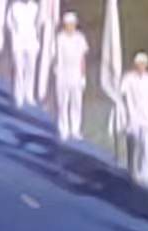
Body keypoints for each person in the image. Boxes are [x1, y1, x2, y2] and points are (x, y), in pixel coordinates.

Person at [117, 53, 148, 184]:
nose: (141, 66)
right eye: (139, 64)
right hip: (133, 117)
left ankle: (145, 173)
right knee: (133, 145)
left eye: (143, 64)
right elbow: (123, 95)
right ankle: (132, 171)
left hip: (147, 118)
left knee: (145, 146)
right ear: (135, 65)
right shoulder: (128, 78)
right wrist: (126, 113)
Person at [53, 13, 88, 141]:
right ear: (64, 25)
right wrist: (57, 70)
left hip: (76, 73)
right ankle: (63, 129)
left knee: (76, 102)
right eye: (68, 24)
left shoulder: (80, 38)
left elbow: (82, 58)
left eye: (72, 24)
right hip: (63, 73)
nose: (70, 27)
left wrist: (83, 76)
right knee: (62, 103)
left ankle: (75, 129)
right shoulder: (59, 38)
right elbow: (56, 56)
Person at [7, 0, 42, 108]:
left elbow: (39, 23)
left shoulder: (35, 7)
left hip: (31, 41)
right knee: (19, 68)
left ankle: (28, 94)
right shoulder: (14, 6)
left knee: (31, 68)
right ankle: (18, 96)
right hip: (18, 41)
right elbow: (9, 23)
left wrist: (36, 37)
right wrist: (15, 33)